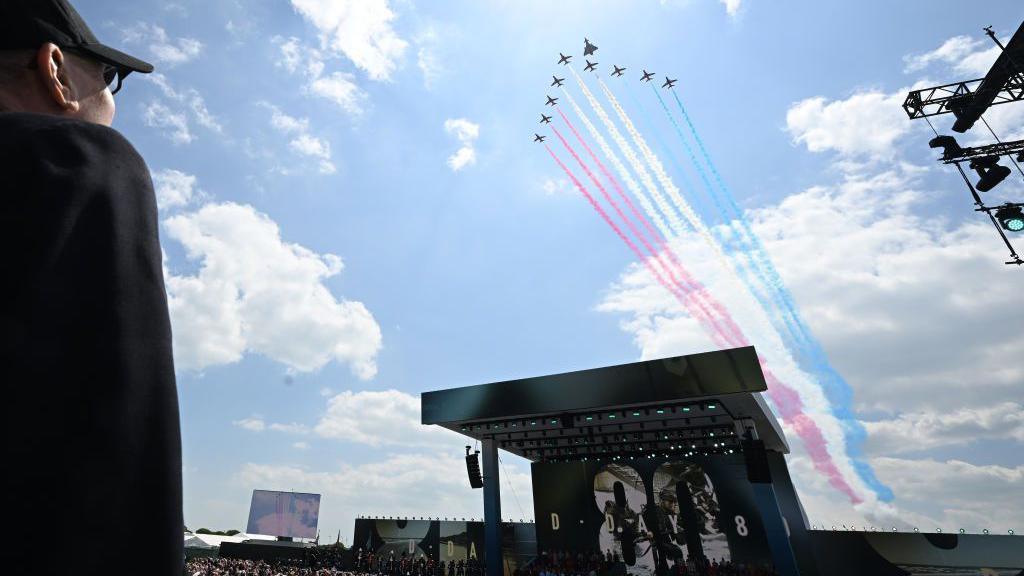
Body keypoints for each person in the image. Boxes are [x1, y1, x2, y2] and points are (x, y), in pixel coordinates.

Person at [0, 1, 181, 574]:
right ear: (55, 69)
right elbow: (107, 472)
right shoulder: (73, 163)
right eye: (107, 76)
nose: (110, 97)